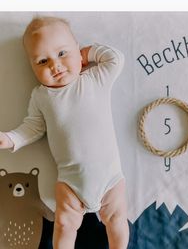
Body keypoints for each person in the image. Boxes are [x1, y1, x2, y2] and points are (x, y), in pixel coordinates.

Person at [0, 16, 129, 249]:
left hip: (110, 178)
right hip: (70, 182)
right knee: (64, 226)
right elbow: (33, 127)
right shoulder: (41, 97)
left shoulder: (93, 80)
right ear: (32, 67)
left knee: (117, 220)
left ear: (77, 50)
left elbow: (115, 59)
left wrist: (88, 53)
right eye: (42, 61)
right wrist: (10, 139)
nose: (55, 66)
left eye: (62, 53)